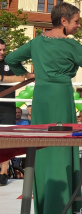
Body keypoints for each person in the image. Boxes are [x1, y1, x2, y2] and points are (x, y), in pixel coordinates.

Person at [5, 2, 82, 213]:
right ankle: (64, 203)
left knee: (42, 146)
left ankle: (45, 202)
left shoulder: (37, 42)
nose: (78, 26)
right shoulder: (71, 45)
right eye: (76, 22)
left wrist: (28, 74)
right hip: (62, 96)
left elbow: (11, 58)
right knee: (62, 145)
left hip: (41, 97)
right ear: (64, 21)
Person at [0, 39, 34, 186]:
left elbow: (22, 77)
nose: (2, 53)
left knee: (6, 140)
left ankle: (3, 173)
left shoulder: (10, 62)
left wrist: (2, 79)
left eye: (3, 50)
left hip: (8, 107)